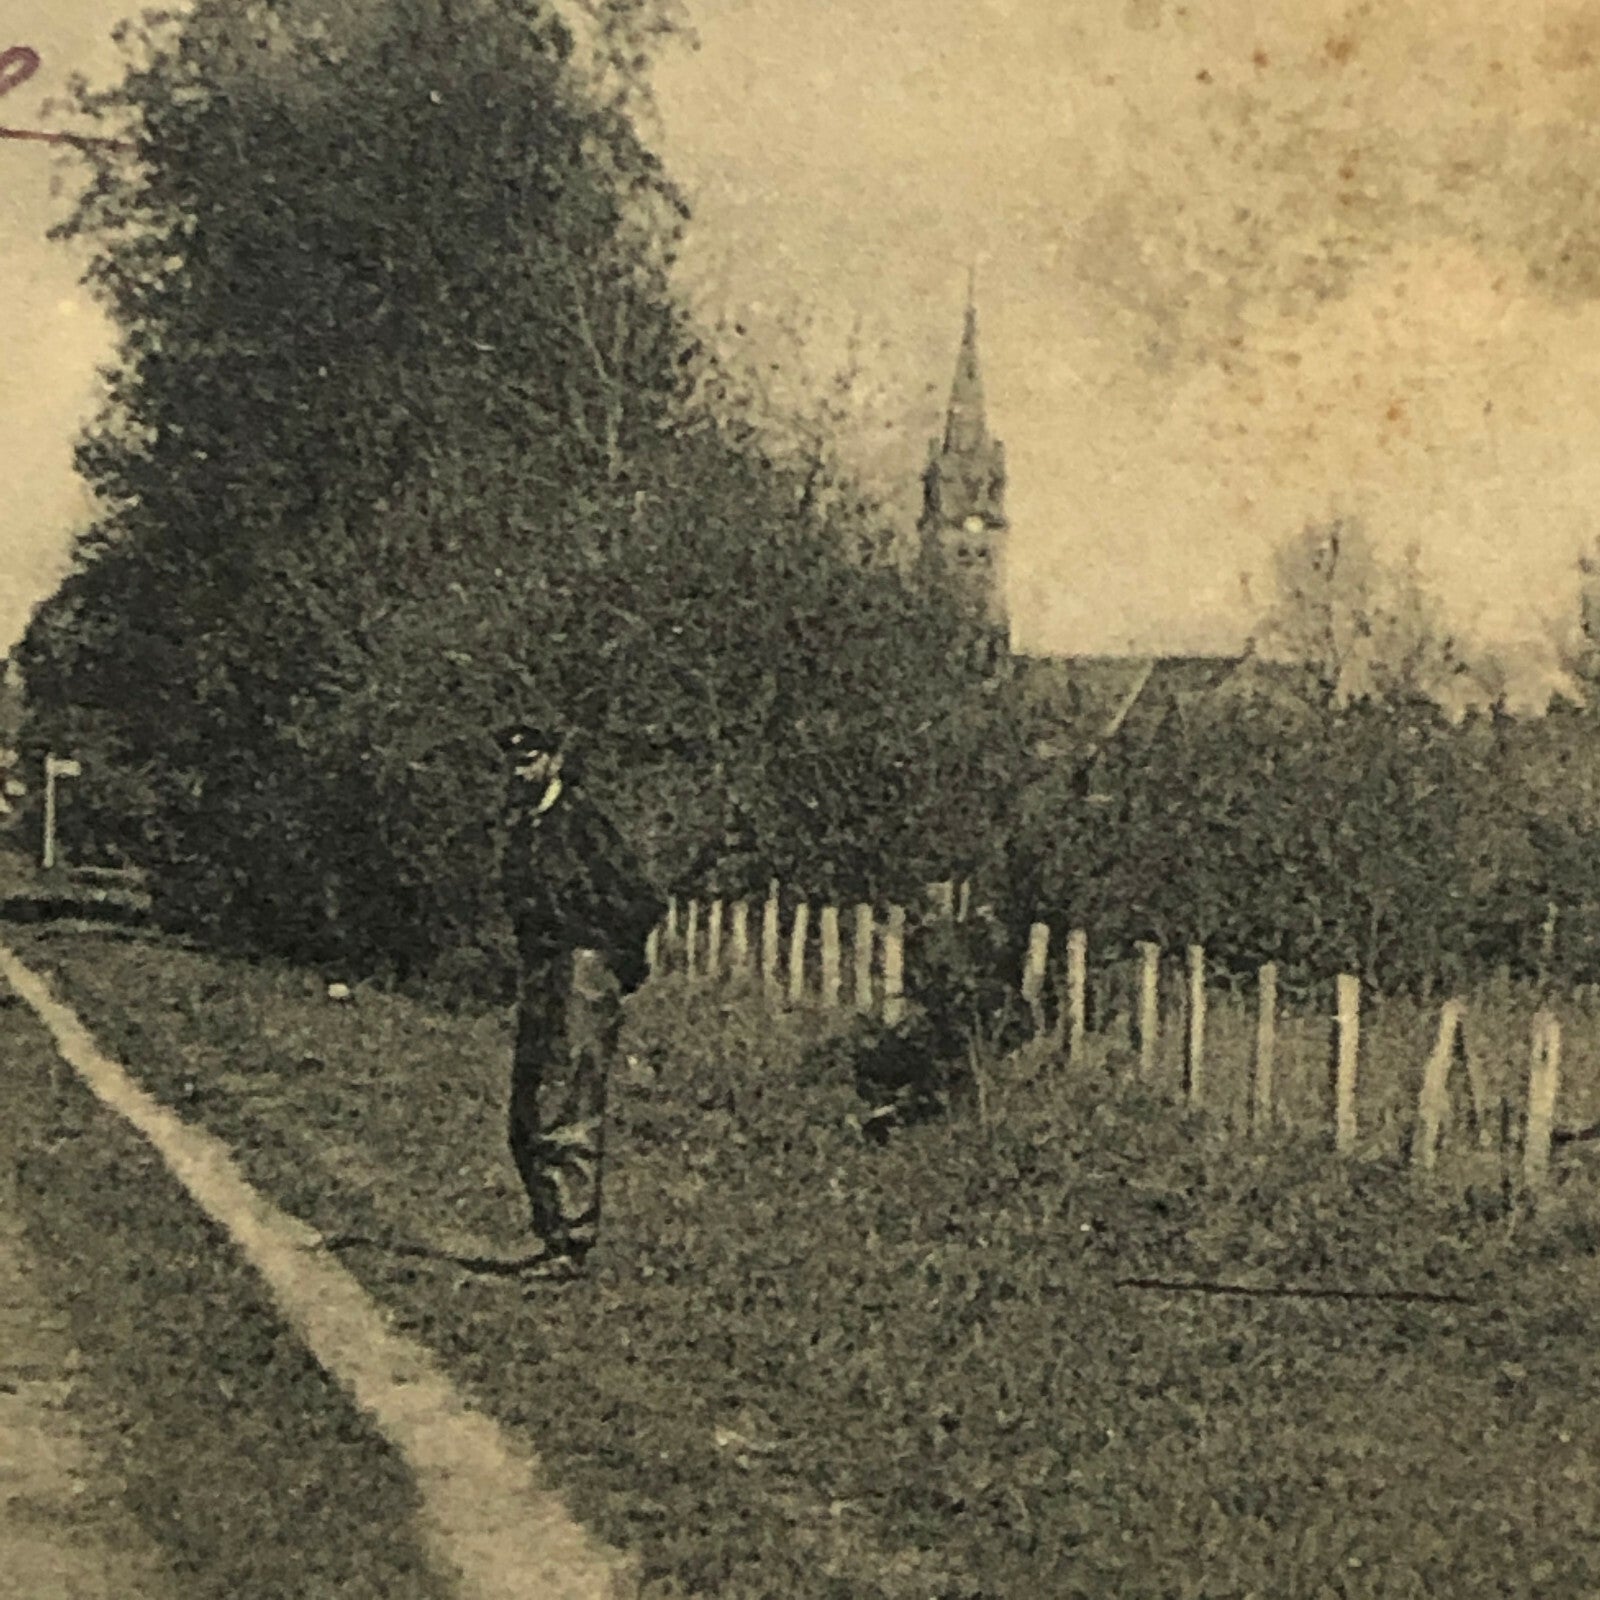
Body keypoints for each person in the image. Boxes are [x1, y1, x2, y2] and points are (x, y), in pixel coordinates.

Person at [497, 722, 665, 1281]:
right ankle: (552, 1236)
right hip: (542, 970)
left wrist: (611, 958)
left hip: (582, 968)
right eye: (514, 763)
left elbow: (641, 897)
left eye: (530, 761)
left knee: (569, 1102)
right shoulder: (525, 826)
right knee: (527, 1110)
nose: (519, 772)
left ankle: (571, 1242)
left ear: (555, 760)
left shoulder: (582, 823)